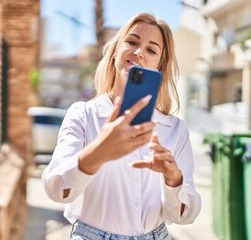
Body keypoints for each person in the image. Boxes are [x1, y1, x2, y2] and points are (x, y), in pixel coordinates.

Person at [42, 13, 202, 240]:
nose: (138, 52)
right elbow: (55, 189)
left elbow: (184, 216)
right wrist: (99, 151)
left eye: (151, 50)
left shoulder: (175, 129)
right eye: (132, 42)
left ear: (160, 65)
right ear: (116, 50)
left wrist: (173, 179)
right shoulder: (83, 114)